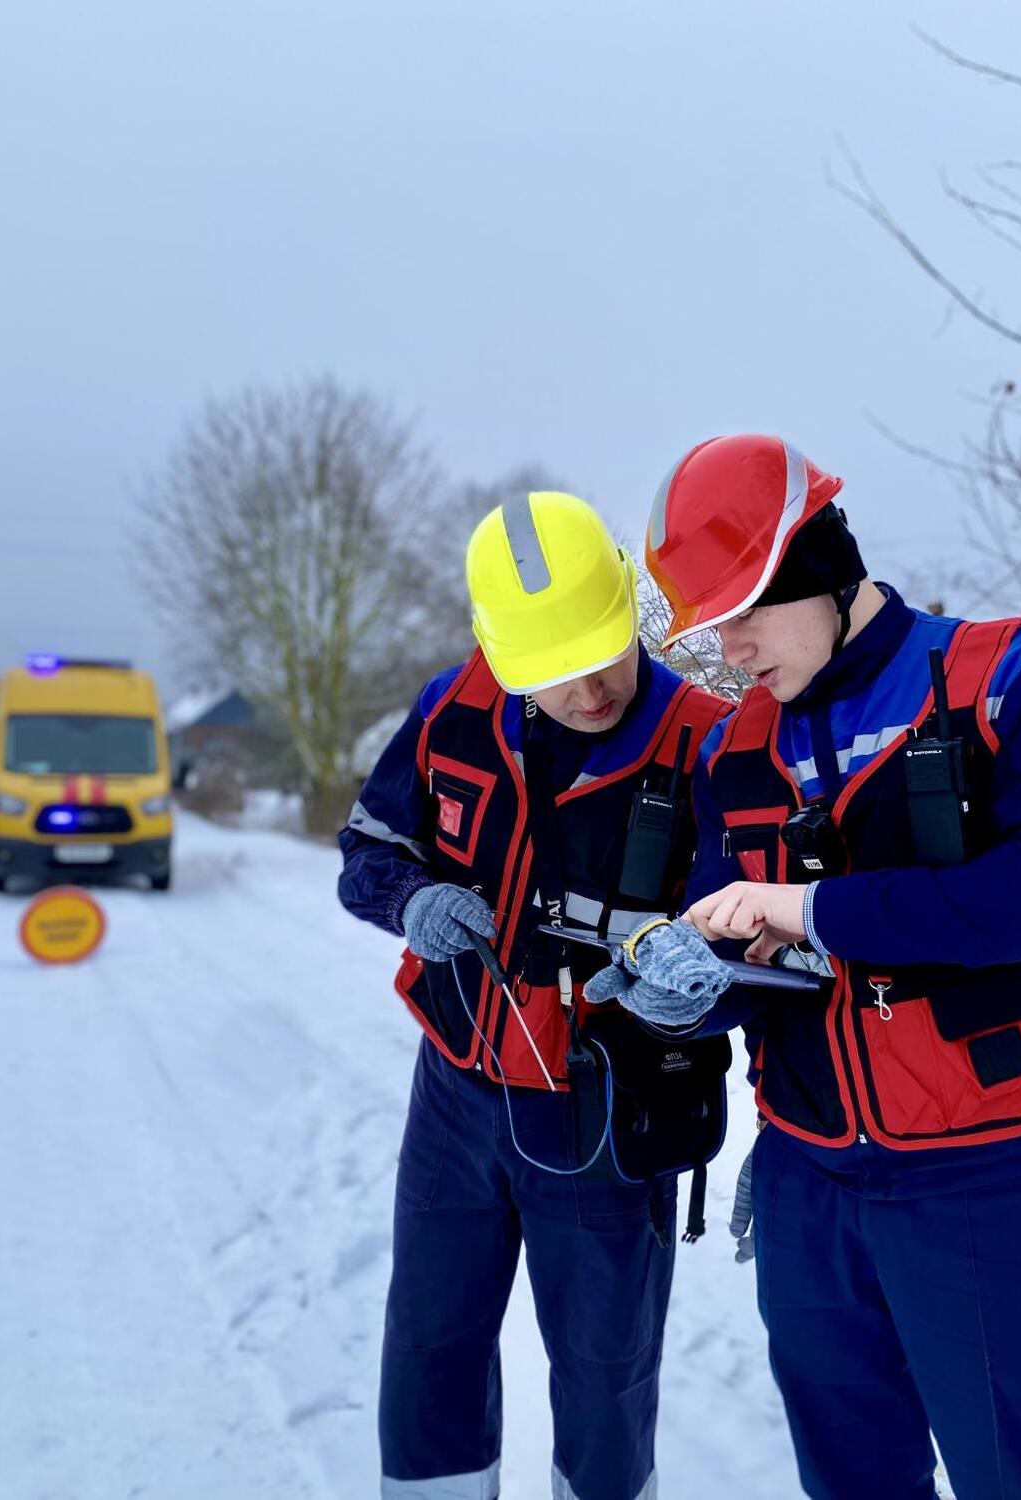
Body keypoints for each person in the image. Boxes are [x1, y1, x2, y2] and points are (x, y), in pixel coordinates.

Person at [594, 435, 1021, 1500]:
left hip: (992, 1175)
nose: (730, 650)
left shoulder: (1012, 681)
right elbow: (724, 945)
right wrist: (678, 996)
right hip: (807, 1180)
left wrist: (810, 908)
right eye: (710, 628)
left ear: (818, 563)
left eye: (743, 613)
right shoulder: (732, 752)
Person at [337, 490, 730, 1500]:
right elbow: (364, 854)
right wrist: (410, 898)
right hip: (456, 1094)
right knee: (429, 1341)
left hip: (606, 1112)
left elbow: (751, 947)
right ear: (503, 656)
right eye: (551, 672)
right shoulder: (450, 711)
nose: (588, 687)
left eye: (600, 650)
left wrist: (695, 991)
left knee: (604, 1377)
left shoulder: (706, 746)